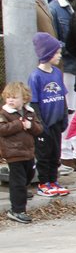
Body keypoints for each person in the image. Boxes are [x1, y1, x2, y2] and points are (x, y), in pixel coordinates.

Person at [49, 0, 76, 171]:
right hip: (66, 67)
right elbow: (54, 40)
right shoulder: (55, 9)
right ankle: (66, 153)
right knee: (68, 110)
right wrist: (74, 48)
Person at [28, 33, 70, 198]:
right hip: (44, 124)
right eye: (56, 52)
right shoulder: (35, 76)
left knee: (55, 154)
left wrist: (64, 117)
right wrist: (40, 124)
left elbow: (63, 96)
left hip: (56, 122)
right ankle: (43, 183)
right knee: (44, 155)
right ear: (46, 54)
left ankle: (53, 180)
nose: (59, 55)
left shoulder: (57, 73)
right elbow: (34, 102)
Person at [1, 82, 43, 223]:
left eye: (14, 97)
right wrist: (19, 124)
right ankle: (17, 210)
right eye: (8, 97)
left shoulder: (30, 112)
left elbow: (39, 129)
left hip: (28, 152)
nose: (10, 100)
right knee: (17, 181)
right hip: (13, 153)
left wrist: (30, 126)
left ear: (24, 99)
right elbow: (2, 129)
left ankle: (20, 193)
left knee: (29, 175)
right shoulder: (4, 113)